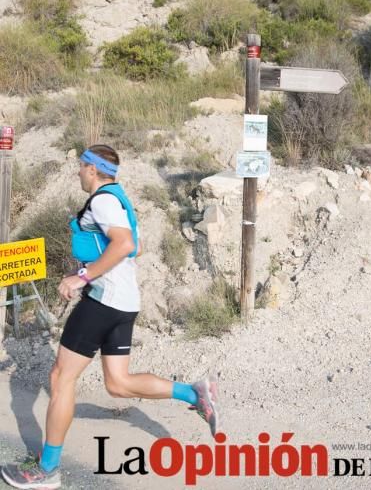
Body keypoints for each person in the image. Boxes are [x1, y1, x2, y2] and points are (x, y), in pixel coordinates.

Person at [1, 144, 219, 490]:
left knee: (60, 379)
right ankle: (195, 394)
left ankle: (47, 470)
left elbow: (122, 244)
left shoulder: (102, 201)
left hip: (103, 302)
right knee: (118, 383)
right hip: (124, 301)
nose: (77, 172)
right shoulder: (119, 198)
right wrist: (93, 266)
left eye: (81, 167)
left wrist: (82, 277)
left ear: (91, 169)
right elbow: (137, 246)